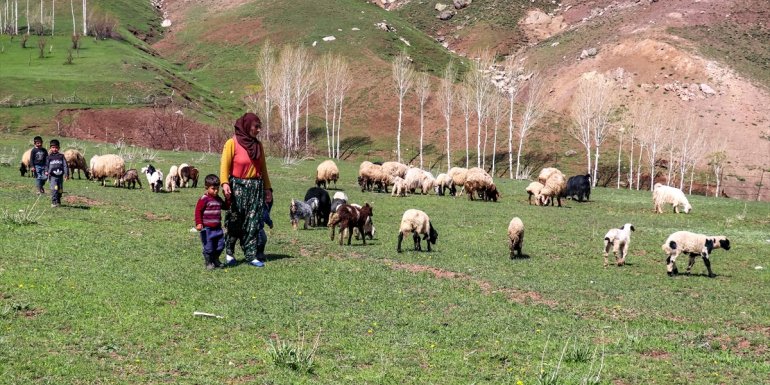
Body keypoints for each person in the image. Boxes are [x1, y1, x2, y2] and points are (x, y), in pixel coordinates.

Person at [220, 112, 273, 268]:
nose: (258, 130)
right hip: (237, 187)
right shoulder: (232, 143)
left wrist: (267, 188)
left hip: (256, 188)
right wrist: (224, 183)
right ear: (247, 125)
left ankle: (250, 255)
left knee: (253, 222)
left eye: (259, 127)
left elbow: (263, 168)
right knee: (235, 220)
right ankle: (229, 252)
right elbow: (224, 165)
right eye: (256, 127)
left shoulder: (258, 145)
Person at [195, 174, 227, 270]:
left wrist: (228, 198)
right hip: (207, 229)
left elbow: (226, 207)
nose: (216, 191)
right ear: (206, 188)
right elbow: (198, 211)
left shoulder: (218, 199)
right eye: (213, 188)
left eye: (217, 188)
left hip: (217, 228)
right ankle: (208, 262)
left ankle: (216, 259)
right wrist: (199, 223)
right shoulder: (204, 199)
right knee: (209, 247)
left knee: (220, 245)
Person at [45, 139, 68, 207]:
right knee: (54, 189)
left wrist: (66, 174)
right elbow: (46, 165)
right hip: (53, 176)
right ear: (50, 148)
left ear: (59, 148)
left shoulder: (61, 156)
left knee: (60, 189)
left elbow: (65, 165)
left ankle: (58, 200)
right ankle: (54, 202)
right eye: (53, 147)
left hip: (60, 176)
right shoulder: (49, 157)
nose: (55, 149)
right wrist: (46, 171)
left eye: (56, 147)